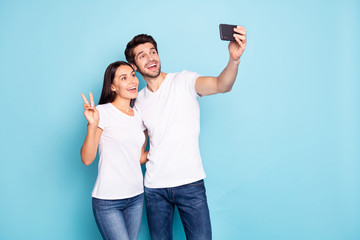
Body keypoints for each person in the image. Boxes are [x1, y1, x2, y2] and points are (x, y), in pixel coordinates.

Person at [124, 26, 247, 239]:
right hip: (155, 189)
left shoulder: (184, 81)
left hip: (190, 184)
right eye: (142, 56)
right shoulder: (138, 102)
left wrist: (233, 60)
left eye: (153, 51)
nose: (151, 57)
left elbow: (221, 85)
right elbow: (137, 149)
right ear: (134, 66)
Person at [80, 61, 148, 240]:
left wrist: (164, 149)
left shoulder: (139, 116)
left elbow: (139, 157)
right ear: (113, 87)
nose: (132, 81)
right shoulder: (102, 113)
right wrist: (92, 125)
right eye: (123, 78)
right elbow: (87, 159)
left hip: (136, 197)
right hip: (108, 200)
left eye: (133, 76)